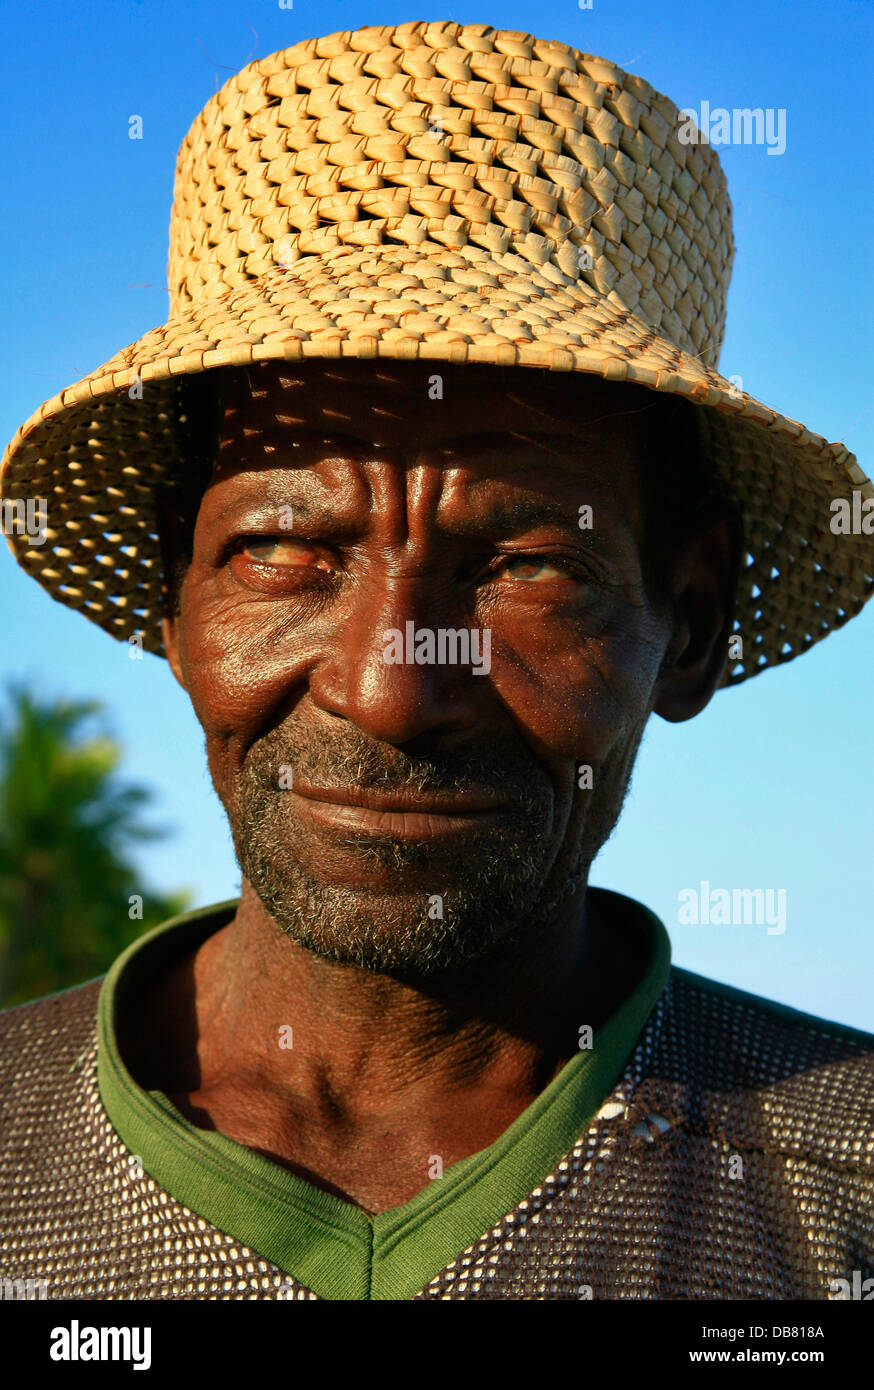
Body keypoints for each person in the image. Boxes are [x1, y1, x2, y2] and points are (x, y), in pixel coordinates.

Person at [0, 20, 871, 1302]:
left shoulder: (836, 1187)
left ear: (687, 622)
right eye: (287, 550)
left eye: (528, 565)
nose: (390, 688)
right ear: (175, 610)